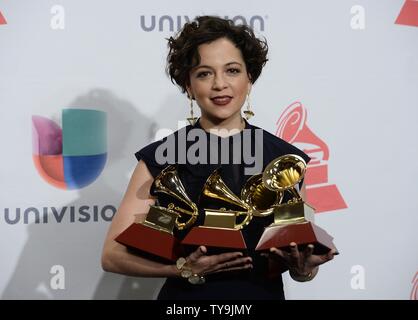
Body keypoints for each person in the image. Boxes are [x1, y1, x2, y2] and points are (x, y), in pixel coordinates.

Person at [101, 15, 338, 300]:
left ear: (249, 78)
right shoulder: (159, 159)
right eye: (204, 73)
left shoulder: (285, 159)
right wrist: (182, 269)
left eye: (232, 70)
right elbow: (112, 256)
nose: (219, 84)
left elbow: (300, 262)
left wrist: (303, 269)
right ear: (188, 86)